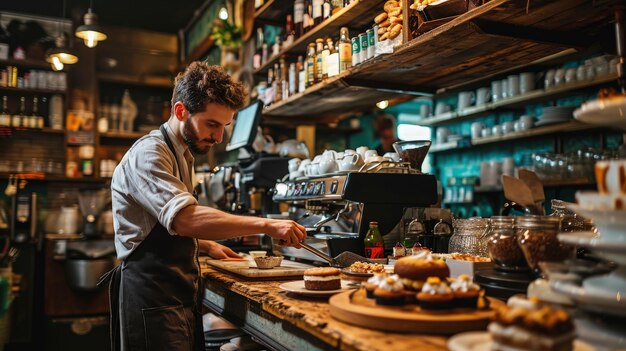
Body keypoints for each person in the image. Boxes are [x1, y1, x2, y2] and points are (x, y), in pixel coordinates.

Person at [103, 62, 306, 351]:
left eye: (224, 127)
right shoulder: (150, 154)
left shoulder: (181, 153)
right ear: (180, 111)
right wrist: (268, 224)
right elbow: (185, 218)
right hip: (151, 298)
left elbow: (160, 223)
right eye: (211, 124)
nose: (219, 137)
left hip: (174, 294)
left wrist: (206, 245)